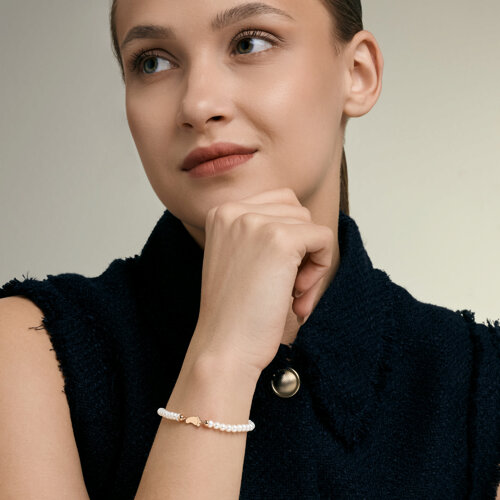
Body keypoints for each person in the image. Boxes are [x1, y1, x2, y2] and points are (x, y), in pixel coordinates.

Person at [0, 0, 499, 498]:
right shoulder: (29, 351)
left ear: (357, 73)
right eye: (152, 62)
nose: (197, 105)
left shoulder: (479, 383)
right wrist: (222, 356)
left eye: (249, 43)